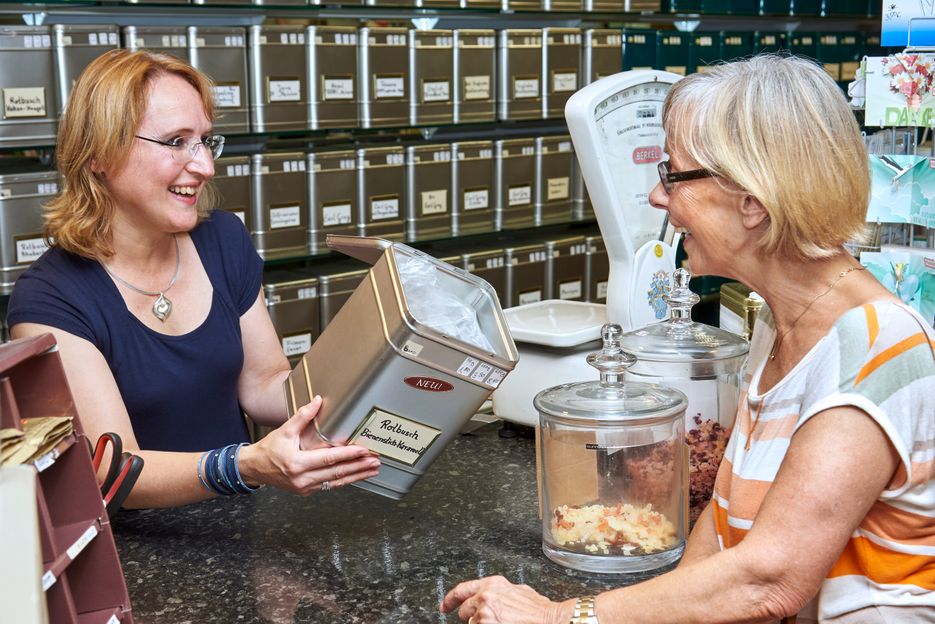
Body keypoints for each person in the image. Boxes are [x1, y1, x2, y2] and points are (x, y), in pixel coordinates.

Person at [442, 54, 935, 623]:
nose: (657, 197)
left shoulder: (875, 346)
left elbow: (768, 581)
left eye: (671, 176)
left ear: (753, 201)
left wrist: (562, 618)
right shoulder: (779, 325)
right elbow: (720, 535)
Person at [7, 49, 381, 507]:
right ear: (101, 153)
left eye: (205, 140)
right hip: (141, 559)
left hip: (240, 526)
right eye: (176, 142)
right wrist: (242, 465)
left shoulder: (223, 239)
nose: (205, 166)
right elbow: (114, 468)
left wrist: (375, 379)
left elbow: (263, 383)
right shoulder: (51, 299)